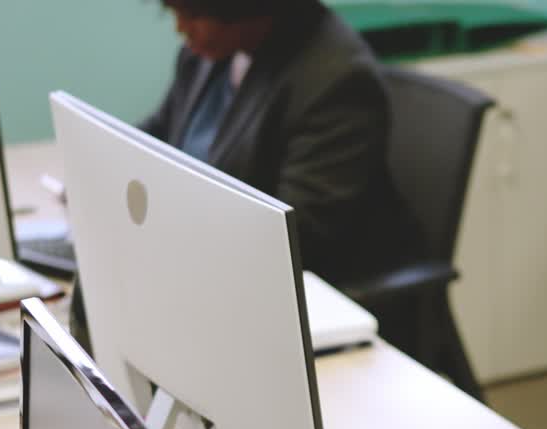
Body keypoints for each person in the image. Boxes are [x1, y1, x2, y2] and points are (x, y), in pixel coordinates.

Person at [139, 0, 421, 290]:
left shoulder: (336, 81)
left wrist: (175, 242)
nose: (181, 28)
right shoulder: (208, 52)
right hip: (205, 257)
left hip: (299, 290)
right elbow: (160, 132)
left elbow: (294, 237)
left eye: (192, 15)